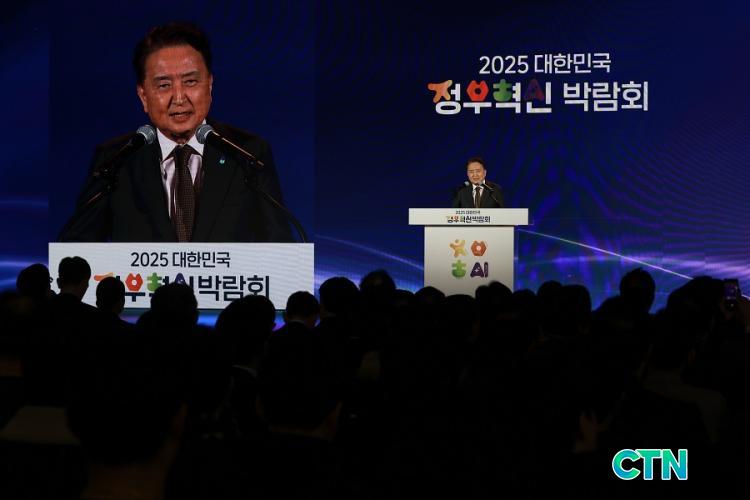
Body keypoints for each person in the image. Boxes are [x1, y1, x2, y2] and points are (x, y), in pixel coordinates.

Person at [59, 22, 292, 243]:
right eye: (164, 85)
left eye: (190, 82)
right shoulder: (115, 161)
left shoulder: (247, 154)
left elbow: (280, 248)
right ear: (143, 96)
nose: (179, 98)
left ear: (209, 85)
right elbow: (76, 250)